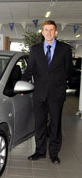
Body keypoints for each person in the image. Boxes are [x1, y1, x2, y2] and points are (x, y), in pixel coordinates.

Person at [22, 20, 72, 164]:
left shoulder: (65, 49)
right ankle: (40, 151)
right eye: (46, 30)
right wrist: (22, 85)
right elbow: (29, 70)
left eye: (51, 30)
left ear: (56, 32)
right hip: (39, 93)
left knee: (55, 124)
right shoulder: (35, 49)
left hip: (57, 93)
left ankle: (54, 154)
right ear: (42, 32)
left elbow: (68, 70)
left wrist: (60, 83)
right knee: (39, 124)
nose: (49, 33)